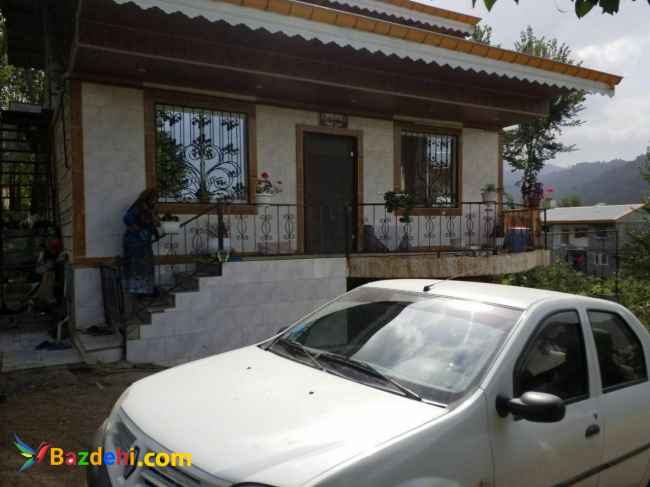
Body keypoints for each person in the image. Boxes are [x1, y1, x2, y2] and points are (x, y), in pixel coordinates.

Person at [123, 189, 160, 296]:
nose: (155, 201)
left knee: (146, 265)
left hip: (144, 242)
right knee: (136, 266)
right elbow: (127, 218)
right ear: (147, 198)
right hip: (134, 241)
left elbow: (154, 223)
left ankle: (147, 289)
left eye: (156, 199)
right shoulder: (139, 207)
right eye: (153, 199)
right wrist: (138, 230)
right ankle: (138, 291)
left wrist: (155, 230)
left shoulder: (151, 209)